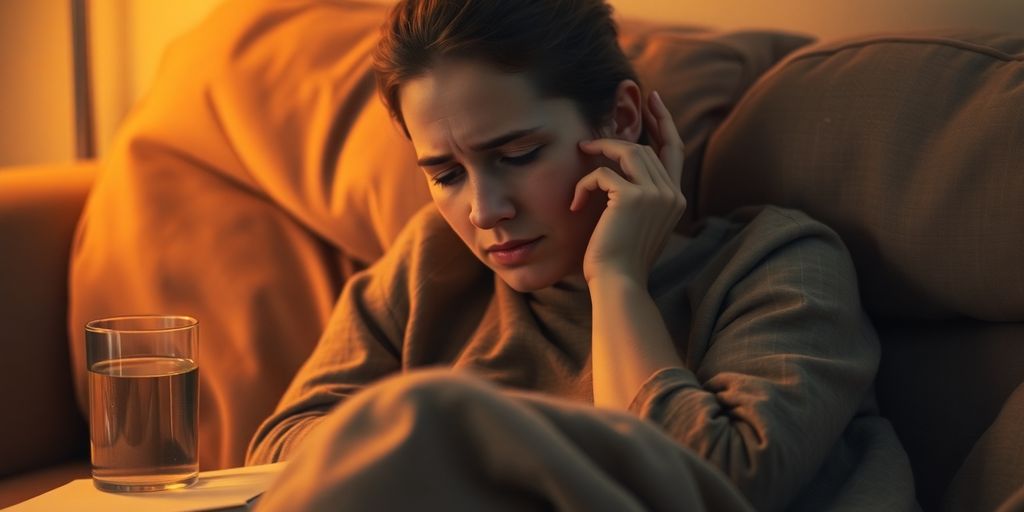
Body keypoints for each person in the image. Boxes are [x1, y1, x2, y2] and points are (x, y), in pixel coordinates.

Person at [246, 1, 917, 510]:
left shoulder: (779, 266)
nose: (484, 211)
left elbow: (706, 488)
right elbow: (280, 456)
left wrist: (616, 279)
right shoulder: (429, 265)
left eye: (516, 156)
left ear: (621, 122)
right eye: (445, 174)